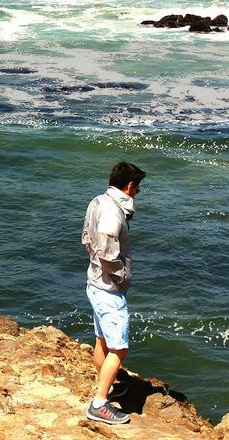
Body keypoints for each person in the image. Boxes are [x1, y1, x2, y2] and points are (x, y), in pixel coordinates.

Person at [80, 160, 145, 425]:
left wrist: (98, 264)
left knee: (102, 342)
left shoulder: (97, 201)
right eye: (137, 187)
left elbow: (86, 238)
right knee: (119, 348)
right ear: (129, 186)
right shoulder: (114, 212)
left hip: (94, 282)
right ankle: (99, 404)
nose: (138, 192)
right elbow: (107, 244)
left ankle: (106, 387)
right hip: (108, 289)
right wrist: (120, 275)